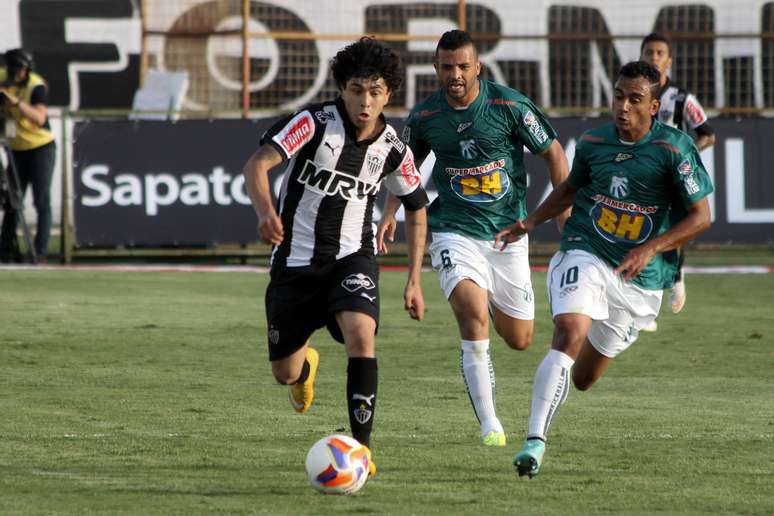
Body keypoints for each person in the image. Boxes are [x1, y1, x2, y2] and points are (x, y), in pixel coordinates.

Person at [494, 61, 713, 479]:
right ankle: (534, 442)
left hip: (638, 280)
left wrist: (652, 248)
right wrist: (530, 222)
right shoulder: (594, 141)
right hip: (586, 249)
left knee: (584, 379)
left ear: (653, 107)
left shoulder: (675, 149)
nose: (624, 107)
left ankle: (583, 366)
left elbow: (701, 217)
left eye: (635, 100)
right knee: (569, 332)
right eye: (619, 97)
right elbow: (572, 189)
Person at [242, 37, 429, 475]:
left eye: (376, 91)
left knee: (362, 335)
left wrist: (415, 278)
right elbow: (257, 165)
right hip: (294, 262)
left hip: (352, 257)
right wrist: (266, 212)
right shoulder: (312, 123)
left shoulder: (393, 148)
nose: (366, 101)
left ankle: (360, 451)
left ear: (389, 95)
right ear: (343, 88)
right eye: (358, 89)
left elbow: (417, 206)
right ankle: (305, 366)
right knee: (284, 373)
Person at [378, 30, 569, 447]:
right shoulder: (426, 117)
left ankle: (492, 305)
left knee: (520, 340)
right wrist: (389, 212)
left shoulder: (509, 105)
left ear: (477, 66)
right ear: (436, 69)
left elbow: (554, 153)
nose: (456, 75)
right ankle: (490, 426)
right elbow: (403, 167)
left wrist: (563, 212)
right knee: (470, 312)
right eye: (447, 67)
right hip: (452, 231)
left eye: (463, 66)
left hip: (507, 235)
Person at [640, 32, 716, 320]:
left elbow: (708, 135)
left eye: (660, 53)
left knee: (671, 228)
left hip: (672, 173)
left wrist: (684, 156)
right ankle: (642, 305)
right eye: (649, 52)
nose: (654, 58)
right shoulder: (634, 94)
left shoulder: (682, 98)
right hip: (640, 170)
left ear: (669, 61)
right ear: (641, 56)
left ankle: (676, 272)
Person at [0, 48, 56, 263]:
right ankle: (5, 248)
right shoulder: (4, 79)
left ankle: (40, 252)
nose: (16, 73)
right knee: (12, 201)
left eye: (20, 69)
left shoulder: (36, 85)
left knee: (41, 200)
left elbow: (40, 118)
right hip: (16, 149)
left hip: (40, 147)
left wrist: (16, 103)